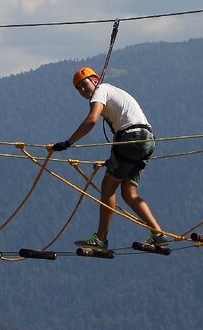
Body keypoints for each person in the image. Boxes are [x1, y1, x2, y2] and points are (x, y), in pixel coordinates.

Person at [49, 66, 170, 250]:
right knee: (129, 193)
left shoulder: (100, 91)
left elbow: (91, 120)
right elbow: (123, 122)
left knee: (108, 187)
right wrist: (114, 159)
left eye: (84, 84)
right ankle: (158, 234)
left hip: (131, 139)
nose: (82, 90)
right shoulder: (110, 91)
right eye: (79, 88)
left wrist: (68, 142)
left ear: (95, 80)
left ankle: (101, 239)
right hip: (145, 140)